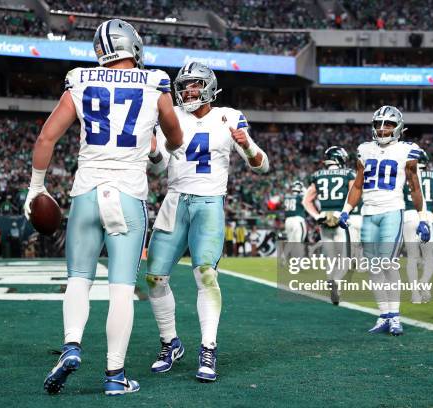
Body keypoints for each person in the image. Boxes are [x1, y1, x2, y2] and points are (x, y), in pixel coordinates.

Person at [25, 19, 183, 396]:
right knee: (121, 288)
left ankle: (72, 346)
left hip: (85, 192)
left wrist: (36, 188)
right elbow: (175, 139)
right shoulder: (155, 81)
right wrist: (154, 139)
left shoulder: (79, 79)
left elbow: (47, 135)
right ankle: (114, 376)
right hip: (128, 193)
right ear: (133, 45)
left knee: (79, 279)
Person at [146, 61, 269, 382]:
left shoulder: (227, 117)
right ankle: (170, 342)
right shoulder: (169, 116)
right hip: (174, 202)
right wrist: (154, 152)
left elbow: (262, 165)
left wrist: (246, 144)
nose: (188, 91)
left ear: (209, 87)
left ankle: (208, 348)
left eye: (194, 85)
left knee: (206, 276)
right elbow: (157, 171)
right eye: (184, 86)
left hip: (209, 204)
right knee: (155, 279)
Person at [339, 106, 429, 336]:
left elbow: (414, 186)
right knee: (373, 267)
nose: (382, 128)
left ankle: (396, 316)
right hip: (368, 212)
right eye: (379, 123)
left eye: (387, 124)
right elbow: (358, 184)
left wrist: (422, 217)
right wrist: (347, 209)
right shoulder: (364, 149)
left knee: (386, 263)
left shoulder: (408, 150)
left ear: (398, 126)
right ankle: (384, 314)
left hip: (392, 210)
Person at [303, 146, 353, 305]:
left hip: (324, 217)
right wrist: (344, 213)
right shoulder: (348, 173)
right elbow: (354, 194)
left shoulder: (318, 175)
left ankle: (331, 280)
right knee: (345, 258)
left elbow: (306, 201)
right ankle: (336, 281)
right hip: (340, 216)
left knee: (330, 258)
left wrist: (317, 216)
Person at [402, 151, 433, 303]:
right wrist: (432, 218)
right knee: (429, 257)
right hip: (426, 216)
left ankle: (414, 294)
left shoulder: (403, 173)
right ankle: (424, 282)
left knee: (412, 257)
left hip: (408, 216)